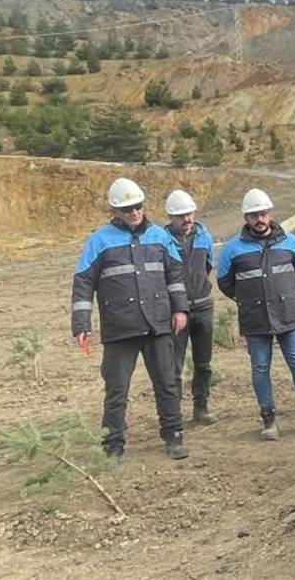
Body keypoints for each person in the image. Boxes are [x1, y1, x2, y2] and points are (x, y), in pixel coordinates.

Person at [71, 178, 190, 460]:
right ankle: (113, 444)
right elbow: (83, 283)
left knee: (167, 383)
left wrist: (180, 309)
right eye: (127, 209)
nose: (134, 212)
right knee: (116, 389)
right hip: (120, 328)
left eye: (138, 206)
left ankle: (173, 436)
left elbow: (174, 275)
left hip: (157, 324)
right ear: (115, 210)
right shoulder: (99, 240)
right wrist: (81, 324)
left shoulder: (160, 236)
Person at [218, 188, 295, 441]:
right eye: (253, 215)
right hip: (255, 320)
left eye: (263, 213)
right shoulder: (232, 249)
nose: (259, 219)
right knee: (260, 368)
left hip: (288, 316)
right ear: (246, 218)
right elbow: (225, 283)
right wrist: (247, 301)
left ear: (270, 214)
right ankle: (269, 419)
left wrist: (286, 294)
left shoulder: (290, 242)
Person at [163, 189, 218, 425]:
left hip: (203, 307)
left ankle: (201, 406)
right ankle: (174, 413)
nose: (187, 219)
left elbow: (207, 267)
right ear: (170, 217)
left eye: (189, 214)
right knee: (173, 366)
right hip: (175, 311)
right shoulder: (161, 240)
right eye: (180, 216)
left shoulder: (205, 236)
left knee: (203, 363)